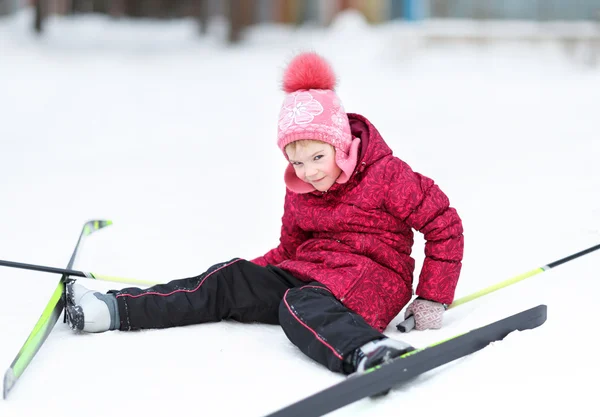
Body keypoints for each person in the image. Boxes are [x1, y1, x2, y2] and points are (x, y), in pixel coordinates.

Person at [66, 52, 464, 376]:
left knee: (299, 304)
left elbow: (444, 224)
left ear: (342, 145)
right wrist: (249, 279)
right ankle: (116, 307)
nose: (308, 171)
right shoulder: (301, 188)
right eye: (296, 160)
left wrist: (431, 297)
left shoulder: (387, 175)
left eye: (317, 157)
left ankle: (369, 351)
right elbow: (289, 249)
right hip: (312, 271)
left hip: (373, 279)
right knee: (229, 278)